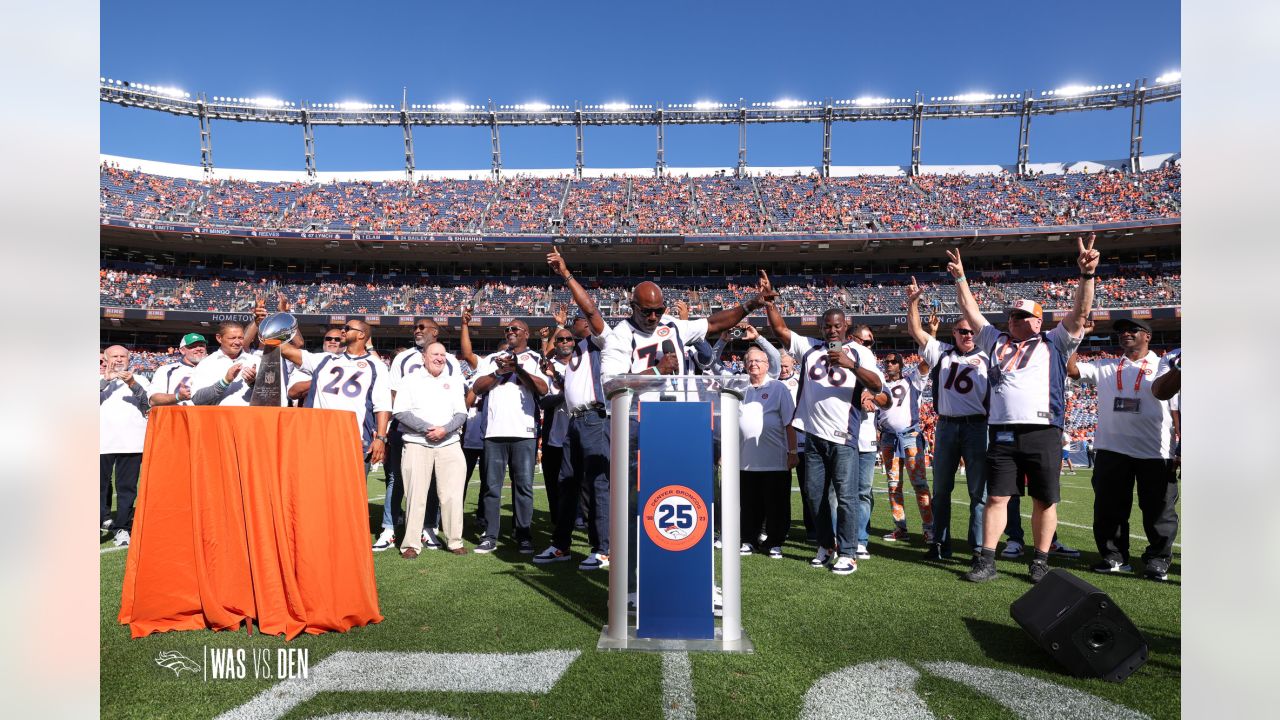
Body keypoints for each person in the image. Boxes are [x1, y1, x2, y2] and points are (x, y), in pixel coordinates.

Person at [955, 233, 1098, 584]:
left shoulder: (1054, 342)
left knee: (1044, 500)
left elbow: (1079, 314)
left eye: (1023, 316)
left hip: (1043, 429)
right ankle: (987, 560)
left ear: (1038, 321)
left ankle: (1040, 560)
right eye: (1012, 316)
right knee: (997, 497)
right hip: (1002, 429)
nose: (1015, 321)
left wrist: (1087, 276)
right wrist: (960, 277)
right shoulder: (996, 340)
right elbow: (971, 314)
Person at [761, 273, 883, 576]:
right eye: (827, 326)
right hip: (812, 436)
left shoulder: (860, 351)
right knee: (814, 495)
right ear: (821, 327)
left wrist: (850, 365)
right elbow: (779, 330)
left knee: (846, 497)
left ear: (846, 327)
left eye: (837, 326)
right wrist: (768, 303)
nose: (832, 330)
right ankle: (826, 545)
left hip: (844, 437)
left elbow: (878, 385)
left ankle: (849, 552)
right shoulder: (810, 348)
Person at [1070, 318, 1179, 581]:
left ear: (1148, 337)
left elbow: (1176, 406)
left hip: (1155, 450)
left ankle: (1157, 560)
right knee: (1109, 509)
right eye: (1120, 331)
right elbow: (1071, 370)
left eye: (1132, 330)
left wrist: (1180, 447)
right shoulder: (1106, 365)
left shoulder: (1164, 364)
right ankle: (1114, 557)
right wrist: (1077, 337)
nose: (1125, 334)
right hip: (1111, 448)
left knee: (1159, 511)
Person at [534, 248, 615, 570]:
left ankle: (603, 548)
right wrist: (556, 338)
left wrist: (566, 274)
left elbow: (590, 309)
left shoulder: (600, 342)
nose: (574, 322)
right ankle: (561, 545)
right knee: (567, 485)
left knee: (597, 484)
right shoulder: (576, 351)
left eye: (577, 320)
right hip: (575, 422)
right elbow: (556, 350)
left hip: (596, 418)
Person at [276, 319, 392, 538]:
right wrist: (271, 325)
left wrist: (382, 438)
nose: (342, 330)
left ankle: (346, 539)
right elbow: (284, 349)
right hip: (317, 438)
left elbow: (383, 405)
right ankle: (311, 535)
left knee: (349, 495)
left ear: (361, 335)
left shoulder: (376, 366)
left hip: (354, 440)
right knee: (313, 491)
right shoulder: (324, 359)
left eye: (347, 328)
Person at [907, 277, 989, 561]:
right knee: (941, 489)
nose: (967, 335)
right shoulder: (941, 352)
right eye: (961, 331)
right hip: (947, 426)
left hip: (978, 426)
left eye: (970, 331)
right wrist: (913, 301)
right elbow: (916, 330)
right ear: (953, 333)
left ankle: (978, 548)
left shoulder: (989, 356)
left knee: (979, 492)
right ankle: (939, 543)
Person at [386, 318, 467, 551]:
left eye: (442, 355)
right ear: (424, 358)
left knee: (452, 495)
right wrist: (427, 429)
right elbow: (400, 412)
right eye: (435, 355)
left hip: (449, 443)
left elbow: (461, 413)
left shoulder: (453, 380)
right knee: (416, 495)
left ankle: (454, 541)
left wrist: (444, 430)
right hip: (416, 443)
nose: (439, 358)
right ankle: (411, 543)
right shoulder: (409, 380)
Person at [471, 319, 549, 554]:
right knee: (491, 487)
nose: (509, 332)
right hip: (494, 432)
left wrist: (518, 369)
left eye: (514, 329)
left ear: (526, 333)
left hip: (523, 431)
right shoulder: (492, 358)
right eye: (506, 330)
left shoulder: (534, 358)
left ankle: (523, 534)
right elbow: (477, 387)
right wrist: (498, 372)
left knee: (523, 486)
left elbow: (543, 388)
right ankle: (490, 535)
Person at [738, 346, 798, 558]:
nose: (754, 364)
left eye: (758, 361)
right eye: (750, 361)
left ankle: (775, 542)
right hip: (745, 460)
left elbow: (789, 423)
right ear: (745, 365)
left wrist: (793, 451)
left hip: (775, 459)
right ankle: (748, 539)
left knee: (776, 504)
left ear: (767, 365)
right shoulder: (740, 389)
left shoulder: (778, 388)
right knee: (748, 504)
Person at [873, 352, 934, 545]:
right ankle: (900, 527)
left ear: (901, 365)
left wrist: (930, 336)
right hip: (888, 438)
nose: (889, 364)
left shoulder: (912, 381)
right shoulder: (878, 386)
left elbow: (926, 364)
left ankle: (929, 528)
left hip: (910, 436)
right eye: (886, 362)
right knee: (893, 485)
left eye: (893, 362)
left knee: (920, 484)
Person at [100, 345, 151, 546]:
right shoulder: (98, 380)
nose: (119, 359)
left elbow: (148, 404)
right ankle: (102, 518)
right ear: (105, 359)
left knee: (127, 488)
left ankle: (122, 527)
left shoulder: (142, 379)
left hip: (132, 443)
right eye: (114, 356)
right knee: (98, 486)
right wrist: (106, 380)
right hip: (100, 442)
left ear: (130, 359)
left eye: (123, 356)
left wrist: (131, 383)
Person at [190, 321, 261, 406]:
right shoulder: (207, 363)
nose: (237, 342)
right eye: (232, 338)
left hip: (250, 417)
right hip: (220, 418)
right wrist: (225, 381)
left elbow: (270, 397)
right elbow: (197, 400)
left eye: (241, 338)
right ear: (219, 338)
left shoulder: (256, 361)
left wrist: (253, 383)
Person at [148, 333, 208, 407]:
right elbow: (153, 400)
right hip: (178, 416)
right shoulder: (166, 370)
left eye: (202, 345)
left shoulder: (214, 369)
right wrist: (178, 397)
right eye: (193, 346)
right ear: (182, 350)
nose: (199, 349)